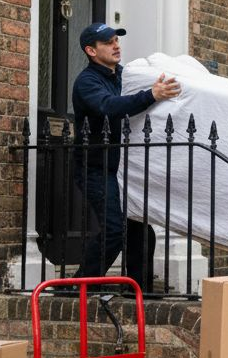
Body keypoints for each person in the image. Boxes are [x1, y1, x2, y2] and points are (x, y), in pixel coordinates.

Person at [71, 22, 181, 286]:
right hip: (96, 167)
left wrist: (155, 87)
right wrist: (151, 95)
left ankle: (137, 292)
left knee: (142, 231)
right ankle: (78, 286)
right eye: (108, 42)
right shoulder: (87, 82)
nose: (116, 45)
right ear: (91, 51)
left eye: (116, 40)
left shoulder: (124, 75)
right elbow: (109, 106)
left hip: (124, 167)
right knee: (114, 229)